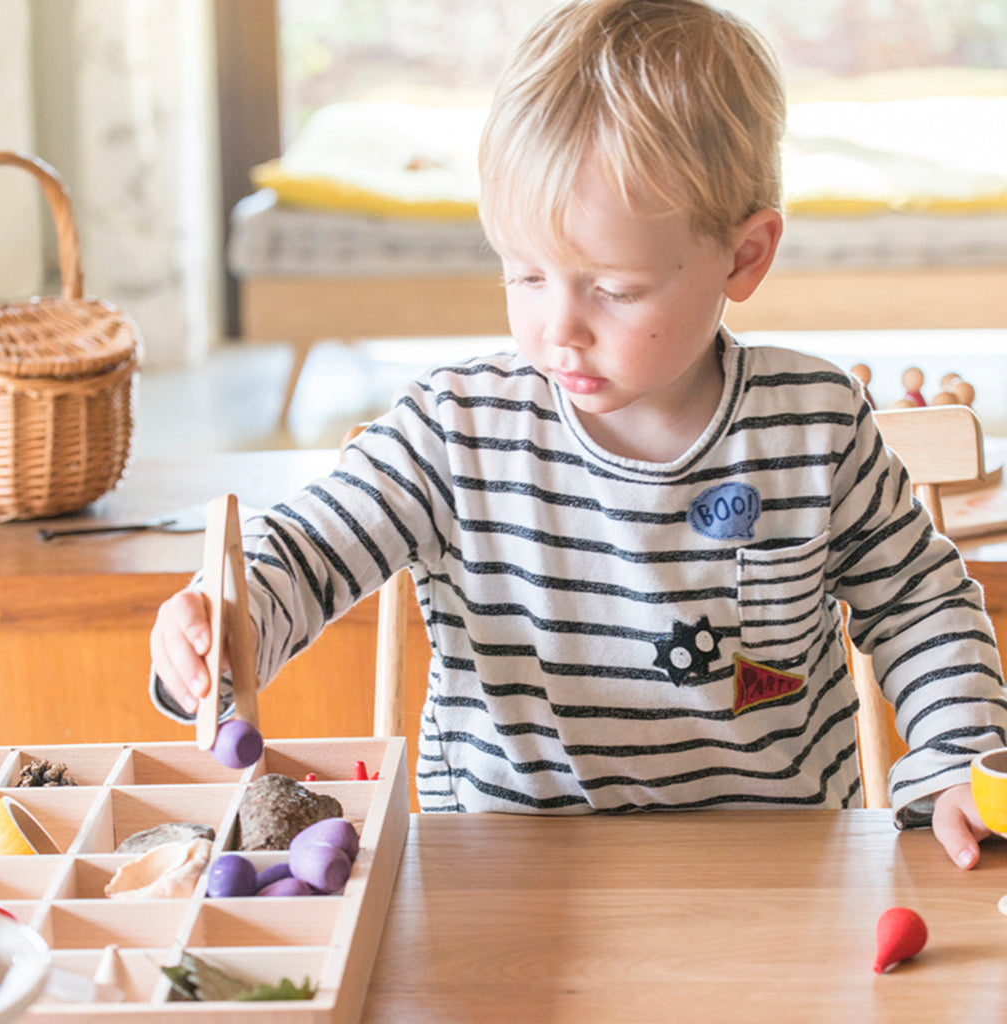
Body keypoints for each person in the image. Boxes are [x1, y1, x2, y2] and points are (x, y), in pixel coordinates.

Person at [150, 0, 1007, 867]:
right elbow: (305, 552)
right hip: (507, 871)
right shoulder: (454, 430)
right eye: (525, 275)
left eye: (614, 289)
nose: (559, 329)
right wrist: (227, 623)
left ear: (744, 257)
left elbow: (920, 602)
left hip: (777, 873)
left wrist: (953, 763)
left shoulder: (816, 425)